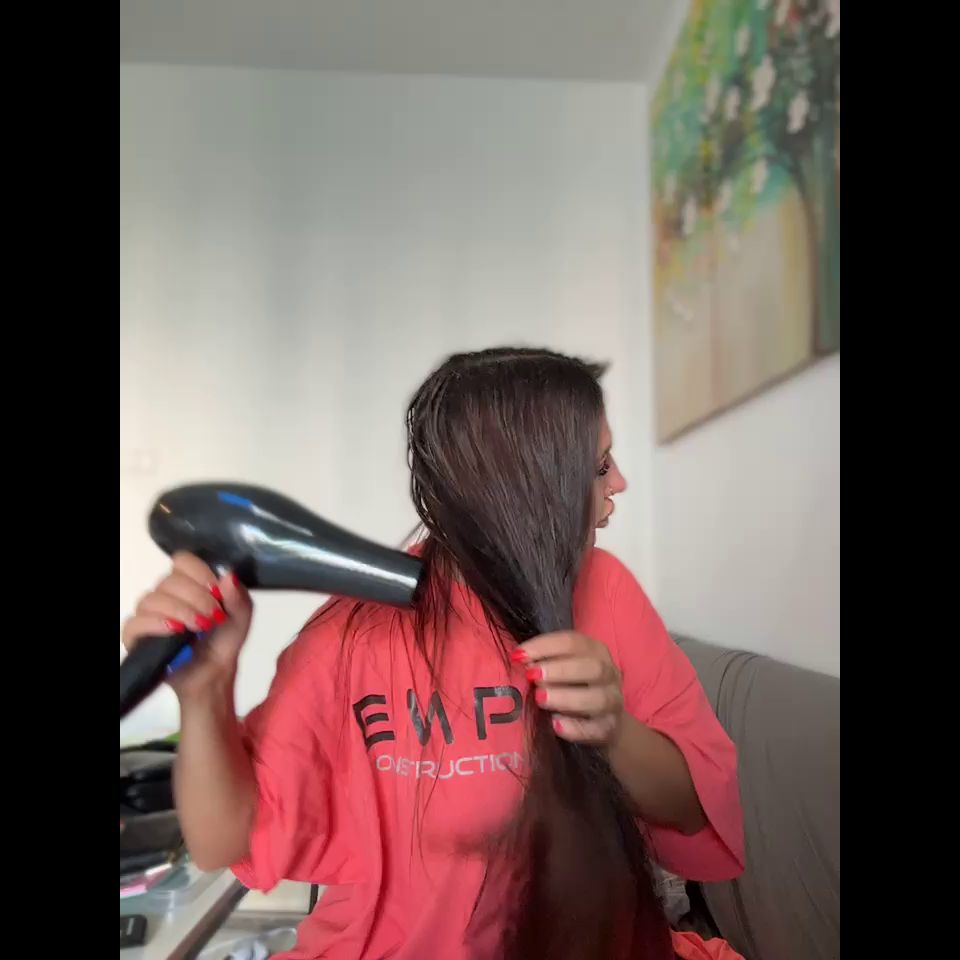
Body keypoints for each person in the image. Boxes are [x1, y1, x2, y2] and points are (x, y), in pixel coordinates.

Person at [121, 347, 745, 960]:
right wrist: (204, 692)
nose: (620, 483)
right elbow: (221, 842)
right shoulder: (351, 632)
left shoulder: (606, 593)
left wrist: (613, 731)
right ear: (527, 484)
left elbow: (692, 808)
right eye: (600, 465)